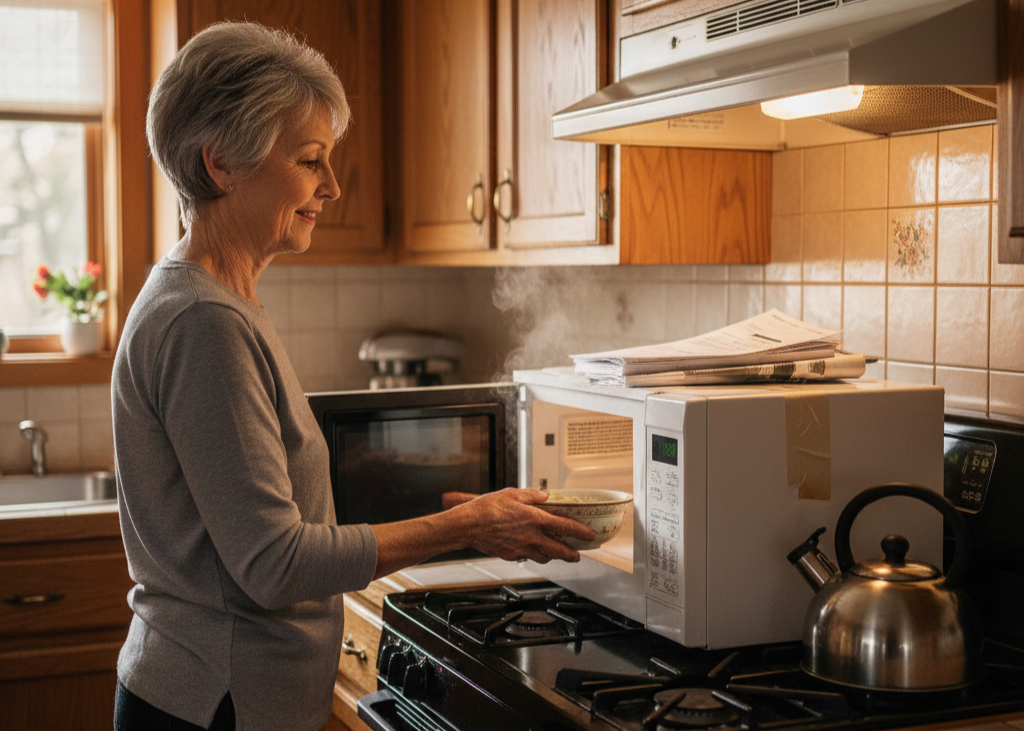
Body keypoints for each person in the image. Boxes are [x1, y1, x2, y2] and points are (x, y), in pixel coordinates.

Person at [111, 21, 595, 731]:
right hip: (218, 701)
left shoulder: (220, 299)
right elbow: (274, 562)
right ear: (221, 164)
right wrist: (463, 524)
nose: (332, 186)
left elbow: (242, 497)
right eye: (310, 160)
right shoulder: (203, 320)